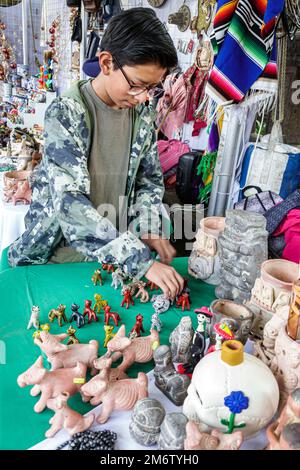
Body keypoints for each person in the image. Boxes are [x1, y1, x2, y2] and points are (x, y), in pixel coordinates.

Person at [8, 8, 184, 299]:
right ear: (106, 63)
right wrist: (140, 262)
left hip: (110, 260)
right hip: (59, 261)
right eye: (137, 85)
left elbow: (149, 180)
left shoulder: (142, 114)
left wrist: (149, 226)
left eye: (152, 88)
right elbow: (71, 207)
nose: (143, 97)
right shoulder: (66, 113)